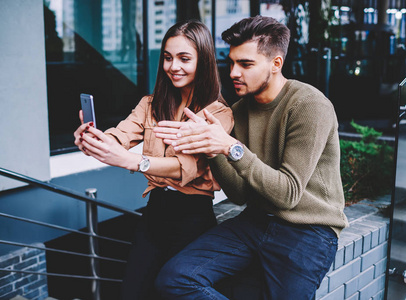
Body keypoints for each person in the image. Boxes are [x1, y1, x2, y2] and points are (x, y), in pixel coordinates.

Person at [153, 15, 349, 300]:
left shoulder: (309, 105)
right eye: (231, 62)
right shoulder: (241, 110)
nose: (233, 72)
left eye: (245, 64)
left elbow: (288, 194)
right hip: (255, 221)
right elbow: (239, 193)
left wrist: (231, 147)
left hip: (309, 231)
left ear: (276, 64)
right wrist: (214, 149)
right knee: (175, 278)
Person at [73, 20, 234, 300]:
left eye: (185, 58)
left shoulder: (217, 114)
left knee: (173, 292)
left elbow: (188, 168)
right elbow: (121, 135)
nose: (174, 67)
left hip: (193, 215)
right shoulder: (151, 104)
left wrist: (135, 162)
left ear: (204, 61)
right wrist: (95, 141)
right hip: (156, 209)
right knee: (132, 292)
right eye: (168, 58)